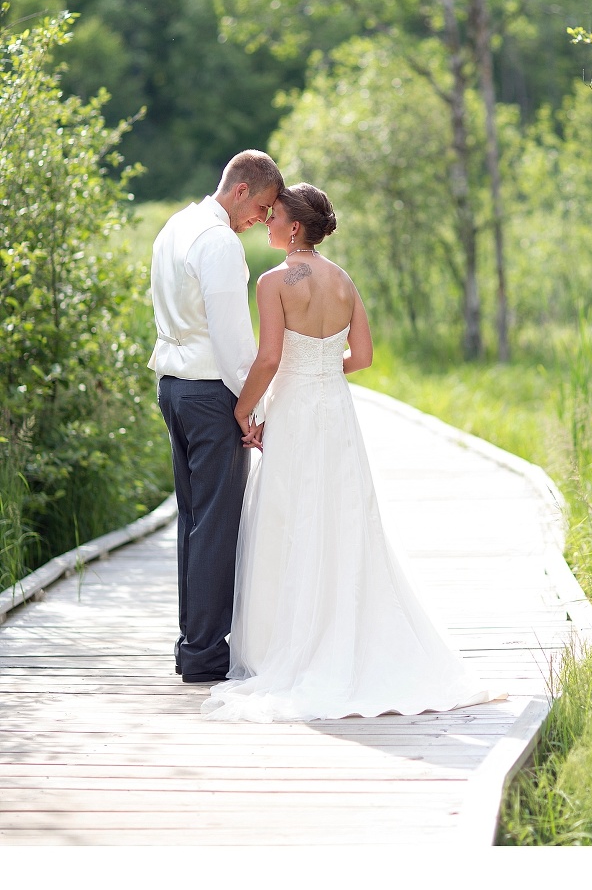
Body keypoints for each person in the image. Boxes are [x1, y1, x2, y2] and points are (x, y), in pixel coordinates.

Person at [201, 182, 498, 721]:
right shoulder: (344, 281)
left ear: (295, 228)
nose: (267, 221)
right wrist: (320, 367)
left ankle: (285, 644)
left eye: (275, 216)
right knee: (340, 517)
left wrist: (245, 411)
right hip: (335, 411)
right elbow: (361, 357)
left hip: (294, 411)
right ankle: (346, 633)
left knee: (289, 516)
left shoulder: (273, 282)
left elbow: (268, 359)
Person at [149, 150, 283, 683]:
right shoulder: (220, 242)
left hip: (173, 387)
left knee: (194, 521)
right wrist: (252, 409)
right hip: (209, 393)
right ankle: (205, 653)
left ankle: (193, 646)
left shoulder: (174, 226)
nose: (263, 220)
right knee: (216, 526)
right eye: (263, 207)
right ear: (241, 189)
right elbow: (233, 342)